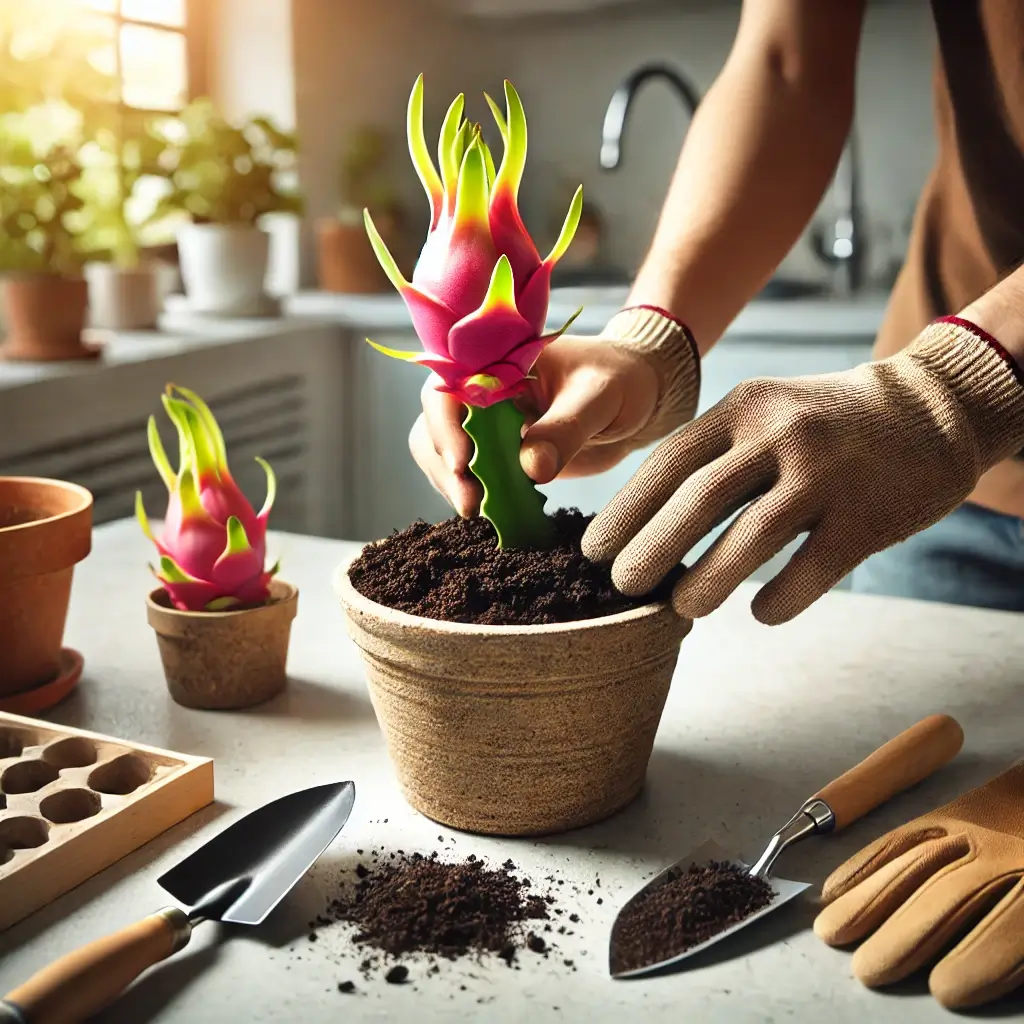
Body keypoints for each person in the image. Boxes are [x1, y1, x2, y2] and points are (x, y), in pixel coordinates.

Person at [410, 0, 1024, 623]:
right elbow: (785, 62)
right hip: (936, 500)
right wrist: (651, 343)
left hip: (930, 439)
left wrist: (950, 390)